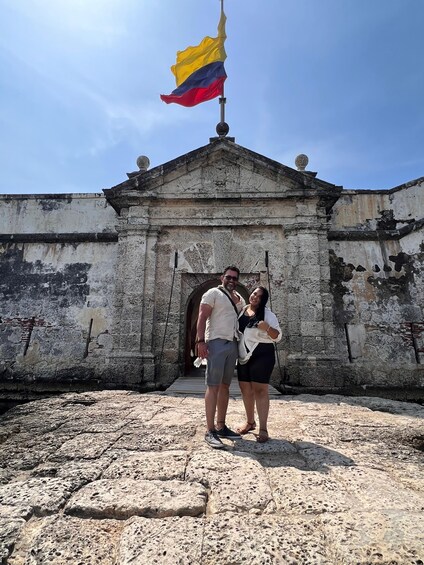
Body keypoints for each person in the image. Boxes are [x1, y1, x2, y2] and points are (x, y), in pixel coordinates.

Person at [196, 266, 246, 449]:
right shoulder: (212, 293)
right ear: (221, 277)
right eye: (228, 277)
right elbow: (202, 317)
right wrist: (200, 341)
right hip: (216, 342)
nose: (231, 280)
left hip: (232, 343)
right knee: (213, 385)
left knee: (225, 386)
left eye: (235, 278)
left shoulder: (239, 299)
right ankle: (210, 430)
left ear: (237, 281)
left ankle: (221, 425)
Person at [236, 286, 281, 443]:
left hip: (262, 354)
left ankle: (263, 427)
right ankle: (250, 422)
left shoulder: (268, 315)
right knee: (245, 389)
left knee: (260, 390)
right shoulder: (242, 310)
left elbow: (278, 336)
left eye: (260, 296)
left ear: (263, 300)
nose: (255, 297)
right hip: (243, 355)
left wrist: (267, 327)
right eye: (254, 293)